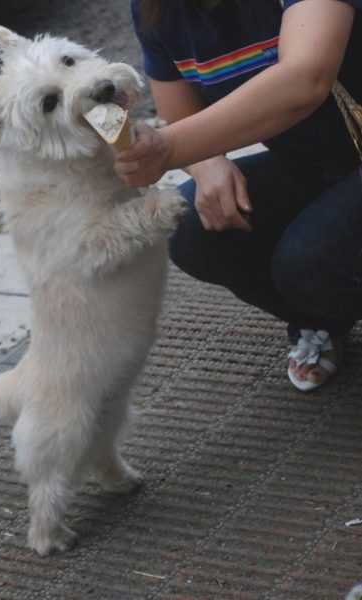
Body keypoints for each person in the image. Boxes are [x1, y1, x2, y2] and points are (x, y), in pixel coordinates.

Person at [115, 0, 362, 391]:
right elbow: (179, 112)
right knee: (193, 229)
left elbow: (306, 77)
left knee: (310, 263)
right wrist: (207, 162)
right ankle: (320, 320)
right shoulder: (154, 8)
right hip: (316, 161)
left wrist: (169, 149)